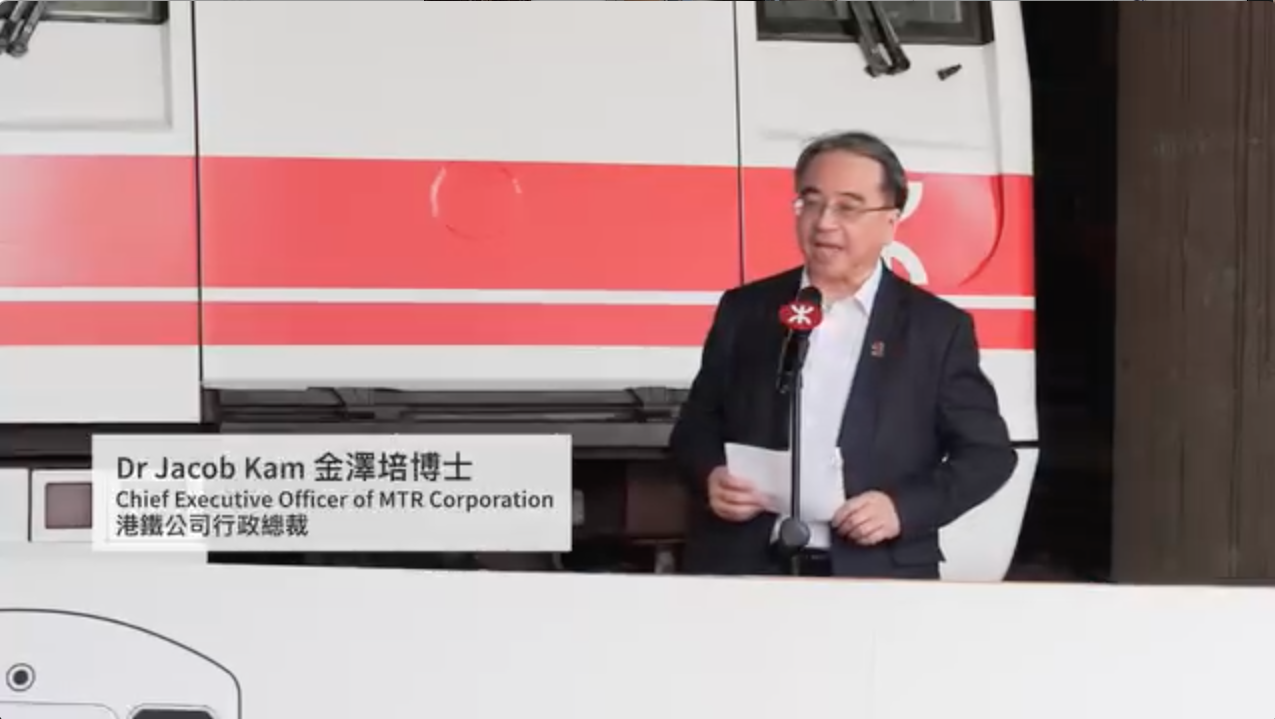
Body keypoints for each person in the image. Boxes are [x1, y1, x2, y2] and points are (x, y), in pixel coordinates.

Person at [668, 130, 1016, 579]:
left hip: (875, 572)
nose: (824, 222)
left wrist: (902, 509)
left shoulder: (936, 329)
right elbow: (696, 426)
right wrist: (711, 475)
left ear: (890, 221)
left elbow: (988, 455)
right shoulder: (747, 309)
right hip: (746, 567)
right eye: (811, 202)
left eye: (848, 208)